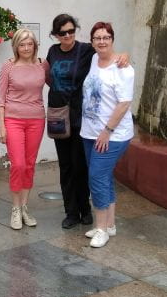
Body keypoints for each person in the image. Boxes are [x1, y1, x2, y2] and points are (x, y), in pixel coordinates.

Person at [46, 14, 128, 229]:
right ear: (55, 34)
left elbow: (108, 54)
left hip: (82, 119)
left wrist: (124, 56)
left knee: (80, 166)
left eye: (71, 31)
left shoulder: (86, 50)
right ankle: (71, 212)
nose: (68, 36)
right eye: (62, 32)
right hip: (58, 117)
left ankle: (85, 209)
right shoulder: (52, 51)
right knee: (65, 166)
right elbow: (47, 75)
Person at [80, 21, 134, 248]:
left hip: (113, 135)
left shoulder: (123, 69)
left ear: (112, 39)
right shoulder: (94, 59)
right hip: (90, 133)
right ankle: (109, 225)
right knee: (104, 177)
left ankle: (100, 227)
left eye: (106, 37)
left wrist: (107, 131)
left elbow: (124, 103)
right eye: (97, 38)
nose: (102, 41)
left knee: (96, 177)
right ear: (92, 41)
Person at [0, 28, 49, 230]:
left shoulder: (42, 64)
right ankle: (15, 209)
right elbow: (0, 98)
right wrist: (2, 126)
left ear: (35, 45)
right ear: (16, 46)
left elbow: (60, 82)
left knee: (29, 164)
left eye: (30, 44)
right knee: (17, 164)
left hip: (36, 120)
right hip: (13, 120)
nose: (26, 48)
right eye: (22, 44)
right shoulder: (8, 66)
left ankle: (25, 207)